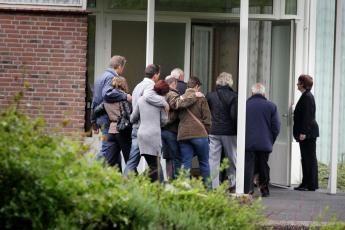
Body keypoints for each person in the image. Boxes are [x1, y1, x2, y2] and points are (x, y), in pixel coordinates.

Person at [124, 64, 169, 176]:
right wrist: (164, 103)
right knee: (155, 165)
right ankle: (157, 185)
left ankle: (125, 184)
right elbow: (147, 97)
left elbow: (135, 108)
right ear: (156, 75)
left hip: (137, 129)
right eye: (159, 74)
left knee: (132, 162)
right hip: (146, 129)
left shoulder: (137, 86)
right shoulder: (150, 87)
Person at [91, 55, 132, 161]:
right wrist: (125, 96)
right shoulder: (110, 77)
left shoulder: (99, 77)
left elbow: (95, 101)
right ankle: (91, 171)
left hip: (100, 118)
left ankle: (116, 176)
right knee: (107, 151)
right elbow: (107, 94)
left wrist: (93, 121)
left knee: (114, 151)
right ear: (119, 67)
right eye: (123, 67)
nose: (123, 70)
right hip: (107, 119)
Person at [244, 83, 280, 197]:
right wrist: (270, 139)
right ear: (264, 93)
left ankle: (248, 189)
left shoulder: (245, 105)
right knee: (263, 164)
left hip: (248, 141)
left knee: (249, 165)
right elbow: (276, 126)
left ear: (252, 93)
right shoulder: (271, 106)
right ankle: (264, 188)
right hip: (265, 142)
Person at [131, 80, 169, 182]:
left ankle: (151, 186)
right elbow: (164, 121)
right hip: (154, 136)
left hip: (142, 135)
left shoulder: (141, 100)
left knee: (153, 165)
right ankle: (140, 181)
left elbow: (133, 118)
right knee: (155, 166)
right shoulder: (161, 102)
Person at [162, 75, 198, 179]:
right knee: (176, 157)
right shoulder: (171, 93)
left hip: (163, 129)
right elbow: (177, 104)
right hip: (171, 129)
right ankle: (177, 181)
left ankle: (171, 179)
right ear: (173, 84)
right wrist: (193, 96)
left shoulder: (161, 93)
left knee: (168, 156)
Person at [177, 76, 211, 185]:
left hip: (183, 135)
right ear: (196, 86)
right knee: (204, 163)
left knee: (185, 163)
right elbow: (207, 118)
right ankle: (208, 190)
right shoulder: (201, 98)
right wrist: (206, 132)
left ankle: (185, 190)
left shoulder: (180, 99)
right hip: (200, 135)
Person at [206, 72, 238, 191]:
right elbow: (234, 116)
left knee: (213, 159)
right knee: (231, 158)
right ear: (230, 82)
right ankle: (232, 182)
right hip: (229, 132)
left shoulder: (210, 95)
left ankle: (214, 185)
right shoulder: (234, 96)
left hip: (213, 131)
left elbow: (206, 113)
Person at [293, 75, 319, 191]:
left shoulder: (307, 97)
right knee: (307, 158)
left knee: (308, 158)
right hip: (308, 132)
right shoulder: (306, 96)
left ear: (303, 84)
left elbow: (308, 116)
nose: (297, 85)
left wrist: (303, 132)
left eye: (298, 83)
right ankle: (308, 183)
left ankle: (309, 184)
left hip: (308, 133)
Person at [101, 76, 132, 171]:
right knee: (130, 160)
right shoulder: (124, 98)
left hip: (111, 130)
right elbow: (128, 115)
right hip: (122, 131)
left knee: (109, 160)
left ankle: (103, 179)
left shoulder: (107, 98)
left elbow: (96, 110)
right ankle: (134, 181)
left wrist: (95, 121)